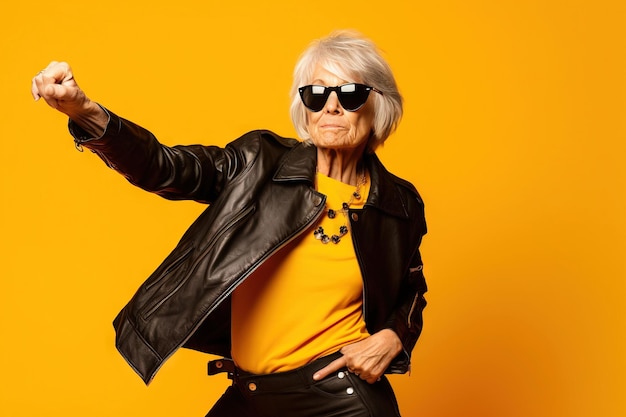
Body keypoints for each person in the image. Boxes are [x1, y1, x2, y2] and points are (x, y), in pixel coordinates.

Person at [31, 30, 428, 417]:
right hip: (250, 394)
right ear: (303, 106)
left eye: (351, 93)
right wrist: (86, 112)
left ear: (379, 106)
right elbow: (166, 168)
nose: (332, 106)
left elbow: (410, 288)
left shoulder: (398, 204)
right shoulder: (261, 161)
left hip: (339, 399)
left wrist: (394, 337)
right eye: (317, 93)